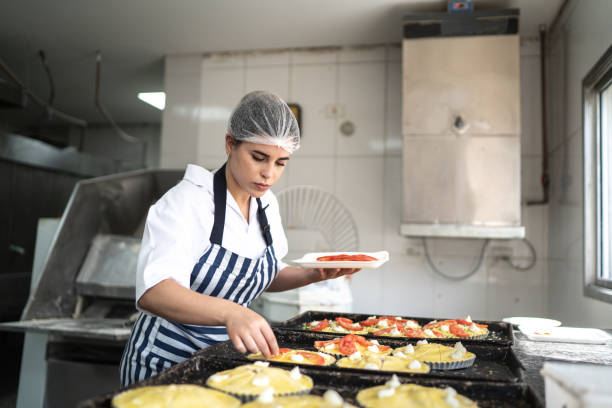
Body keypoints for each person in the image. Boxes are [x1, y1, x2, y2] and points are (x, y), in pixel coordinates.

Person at [119, 90, 361, 387]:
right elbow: (154, 291)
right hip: (165, 366)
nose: (268, 174)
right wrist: (232, 312)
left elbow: (261, 276)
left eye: (281, 162)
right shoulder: (188, 201)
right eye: (258, 157)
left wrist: (314, 274)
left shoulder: (267, 204)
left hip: (221, 366)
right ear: (230, 143)